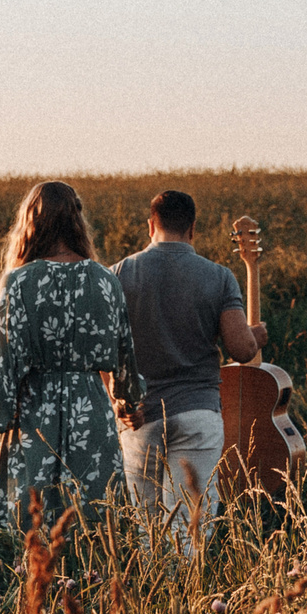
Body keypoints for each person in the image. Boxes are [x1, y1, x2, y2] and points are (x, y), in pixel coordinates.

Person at [0, 181, 136, 533]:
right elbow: (125, 356)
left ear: (30, 222)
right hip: (91, 416)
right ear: (77, 221)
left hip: (33, 418)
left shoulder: (18, 282)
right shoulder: (106, 279)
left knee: (31, 529)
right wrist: (127, 401)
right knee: (94, 529)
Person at [112, 189, 269, 553]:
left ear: (151, 225)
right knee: (189, 529)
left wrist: (117, 398)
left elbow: (106, 351)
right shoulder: (219, 277)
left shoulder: (119, 273)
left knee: (146, 527)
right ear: (193, 229)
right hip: (198, 414)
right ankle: (187, 599)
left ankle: (154, 600)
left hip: (140, 417)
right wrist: (256, 335)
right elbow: (242, 350)